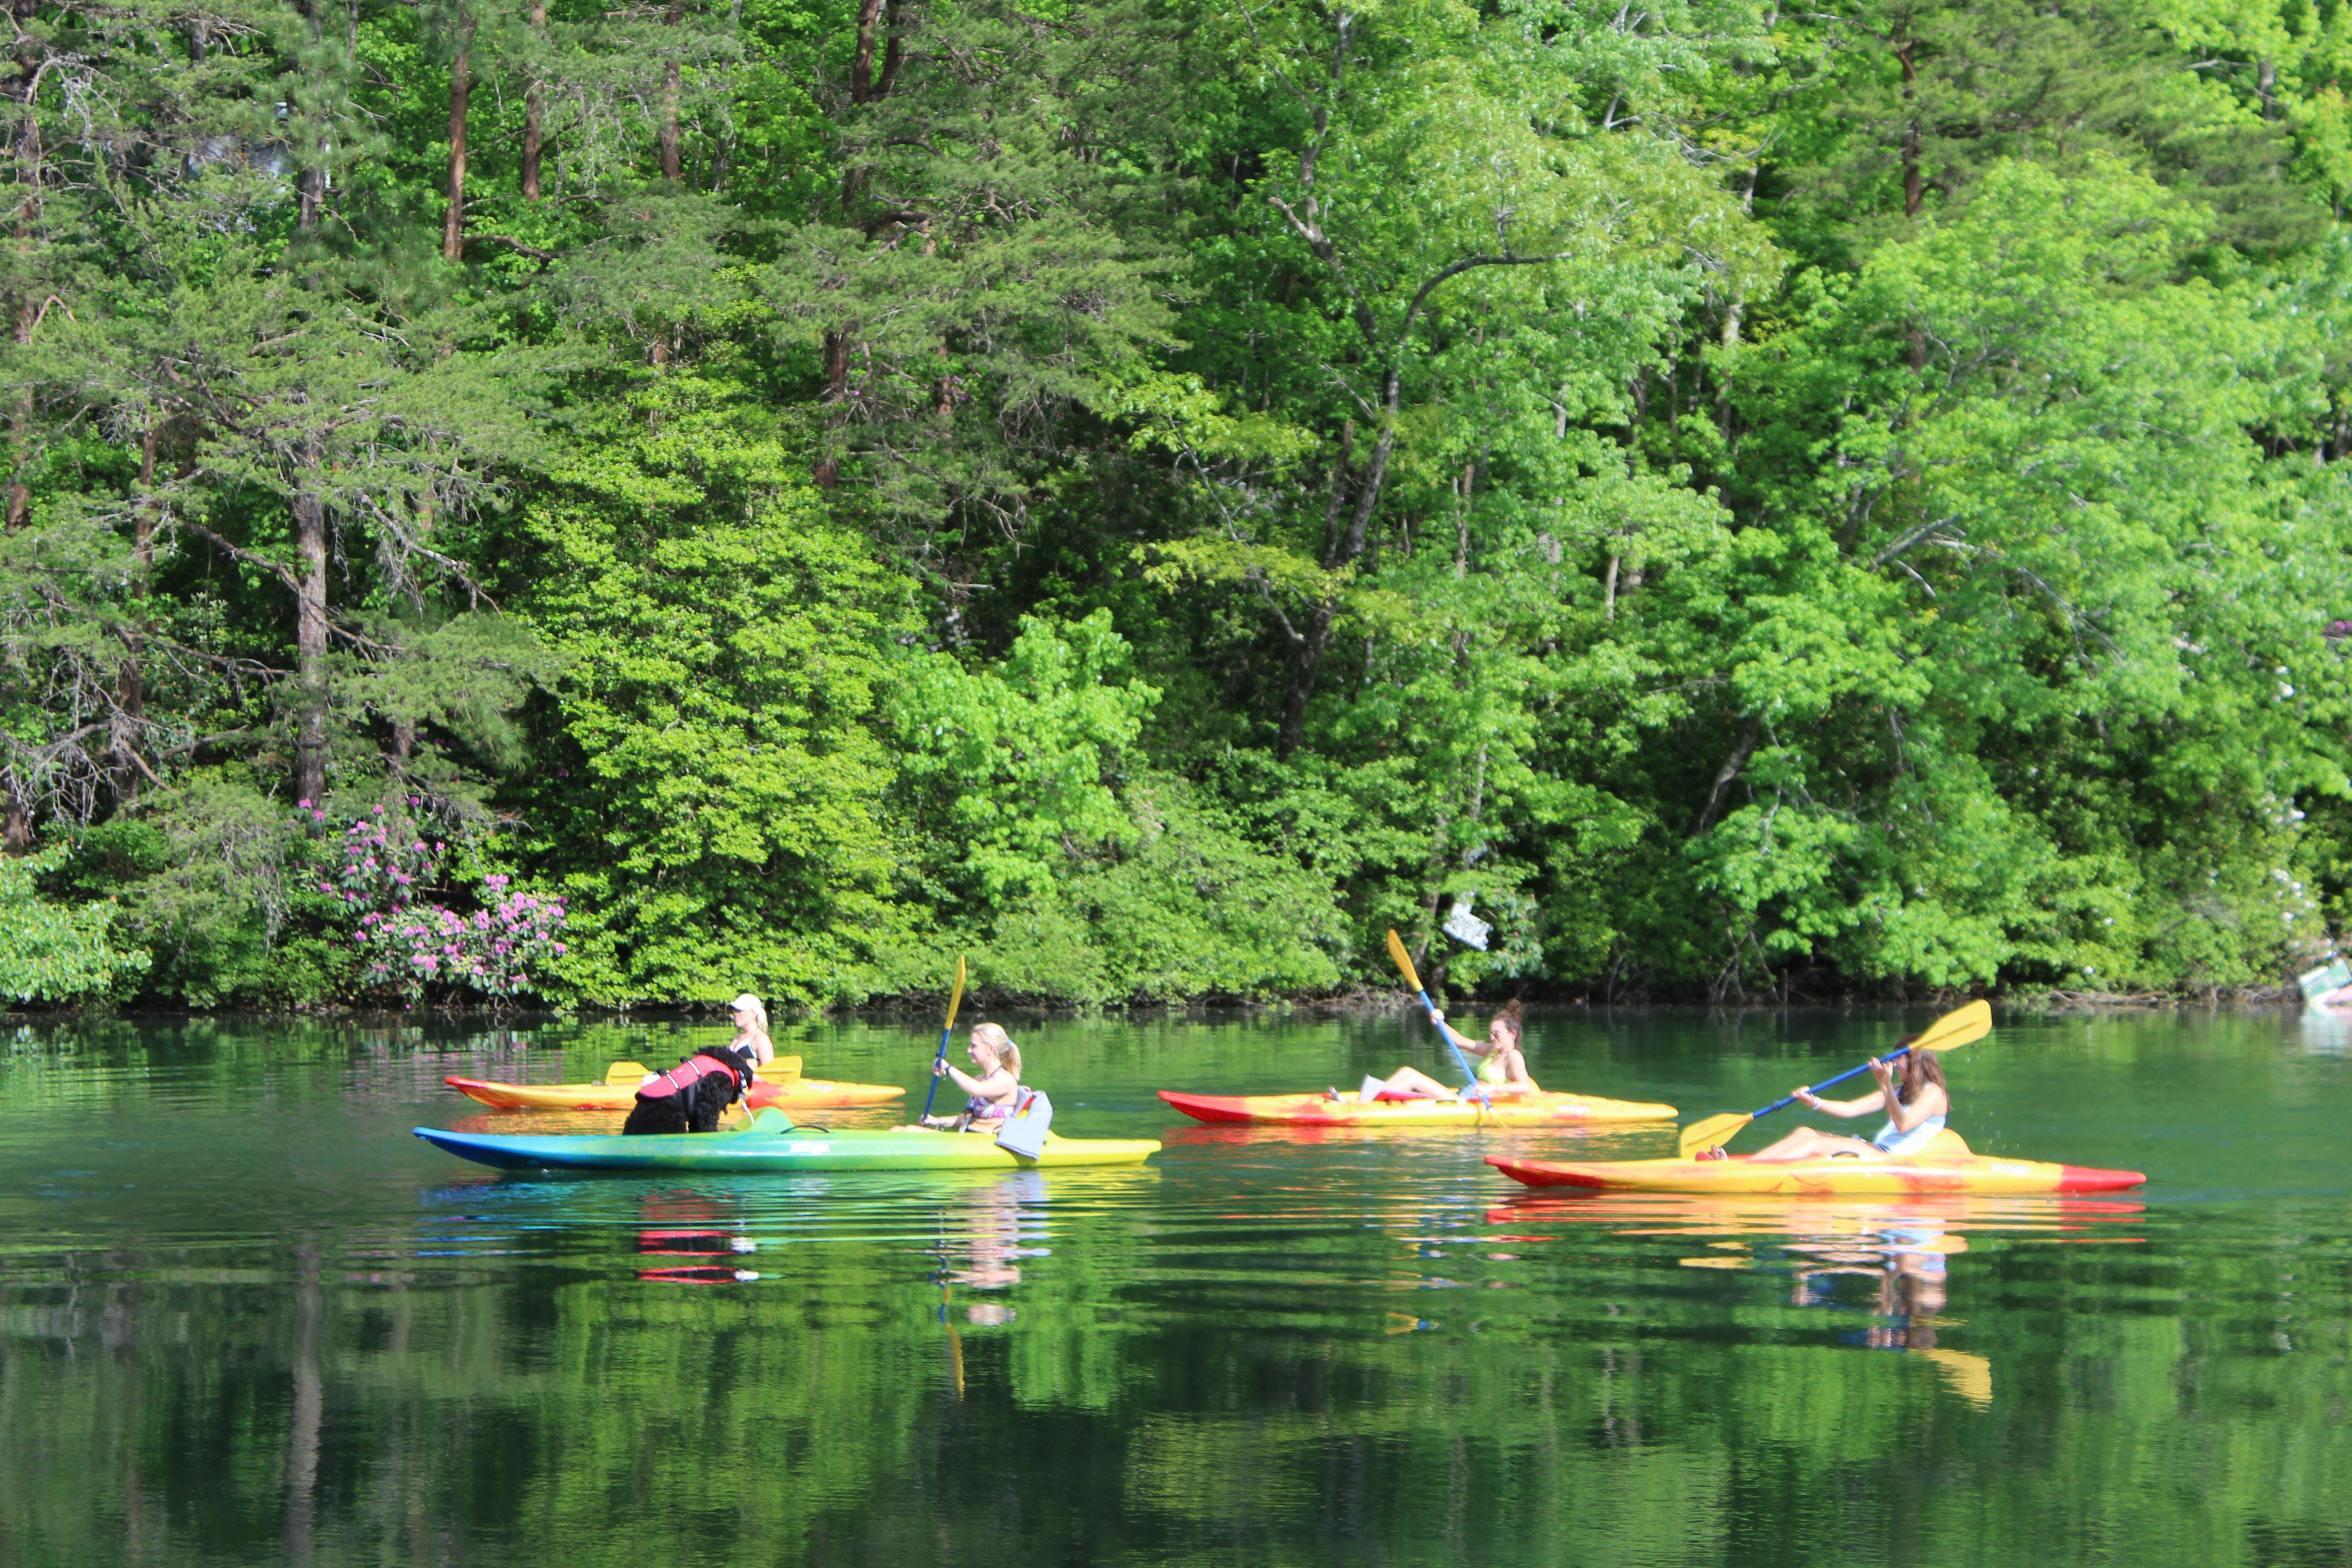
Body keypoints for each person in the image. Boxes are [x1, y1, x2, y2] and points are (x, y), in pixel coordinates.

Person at [1725, 1039, 1949, 1162]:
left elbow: (1903, 1125)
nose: (1895, 1063)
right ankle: (1749, 1167)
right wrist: (1815, 1102)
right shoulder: (1902, 1089)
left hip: (1891, 1157)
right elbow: (1851, 1109)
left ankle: (1756, 1175)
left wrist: (1886, 1085)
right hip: (1878, 1149)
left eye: (1898, 1058)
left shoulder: (1934, 1092)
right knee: (1805, 1133)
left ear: (1916, 1062)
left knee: (1813, 1145)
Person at [620, 993, 772, 1136]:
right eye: (734, 1010)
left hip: (750, 1083)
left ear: (754, 1013)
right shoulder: (738, 1037)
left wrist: (752, 1068)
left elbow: (770, 1070)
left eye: (740, 1010)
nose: (735, 1013)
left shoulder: (760, 1037)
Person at [1344, 1000, 1539, 1101]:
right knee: (1406, 1072)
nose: (1492, 1037)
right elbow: (1461, 1041)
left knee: (1411, 1076)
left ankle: (1364, 1103)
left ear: (1512, 1034)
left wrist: (1492, 1088)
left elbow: (1524, 1086)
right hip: (1465, 1095)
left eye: (1496, 1034)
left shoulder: (1513, 1056)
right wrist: (1440, 1022)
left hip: (1470, 1103)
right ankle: (1370, 1099)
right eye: (1490, 1033)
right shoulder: (1492, 1051)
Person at [922, 1022, 1026, 1131]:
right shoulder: (980, 1079)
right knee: (906, 1130)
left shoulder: (1006, 1080)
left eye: (974, 1046)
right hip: (970, 1135)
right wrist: (937, 1121)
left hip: (988, 1140)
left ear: (991, 1049)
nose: (969, 1050)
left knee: (910, 1131)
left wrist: (948, 1068)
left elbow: (976, 1090)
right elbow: (967, 1119)